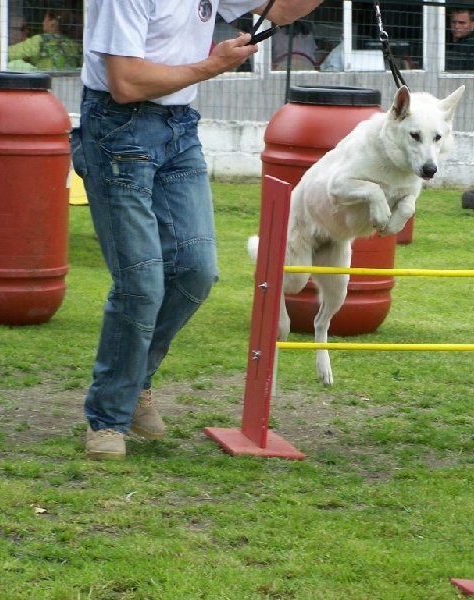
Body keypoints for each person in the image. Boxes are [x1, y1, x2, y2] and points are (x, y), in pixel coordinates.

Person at [71, 0, 325, 461]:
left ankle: (134, 384)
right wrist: (212, 65)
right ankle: (107, 417)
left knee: (196, 270)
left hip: (179, 128)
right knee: (141, 284)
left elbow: (283, 9)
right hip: (116, 128)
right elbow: (125, 83)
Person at [8, 9, 82, 71]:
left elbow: (8, 53)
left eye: (44, 19)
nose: (42, 23)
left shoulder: (40, 40)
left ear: (52, 22)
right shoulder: (73, 45)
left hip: (46, 84)